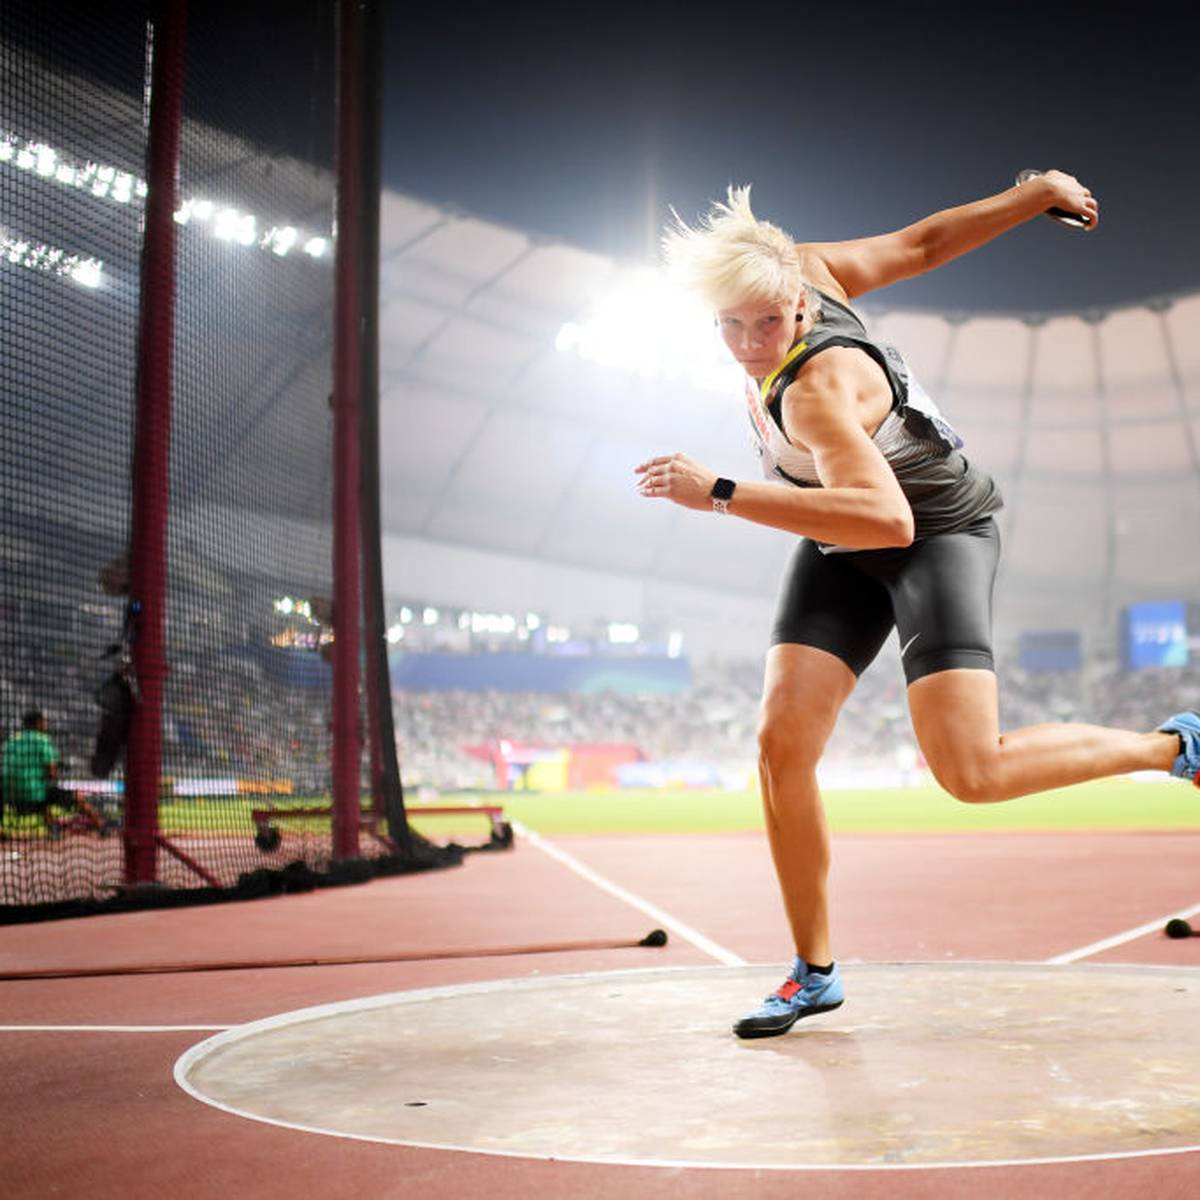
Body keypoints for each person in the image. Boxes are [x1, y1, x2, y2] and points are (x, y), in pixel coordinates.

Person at [636, 175, 1199, 1039]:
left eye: (767, 323)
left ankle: (1175, 744)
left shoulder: (820, 388)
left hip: (935, 534)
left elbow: (887, 516)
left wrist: (716, 490)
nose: (751, 344)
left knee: (971, 774)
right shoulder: (806, 271)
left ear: (796, 299)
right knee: (780, 744)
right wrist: (1033, 192)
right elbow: (924, 246)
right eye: (731, 326)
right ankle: (813, 972)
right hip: (842, 543)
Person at [1, 709, 106, 838]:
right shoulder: (42, 740)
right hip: (33, 797)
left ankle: (53, 829)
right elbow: (52, 773)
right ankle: (101, 826)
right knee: (75, 796)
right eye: (44, 722)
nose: (46, 724)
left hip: (10, 797)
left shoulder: (10, 741)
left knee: (42, 792)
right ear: (38, 723)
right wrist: (56, 769)